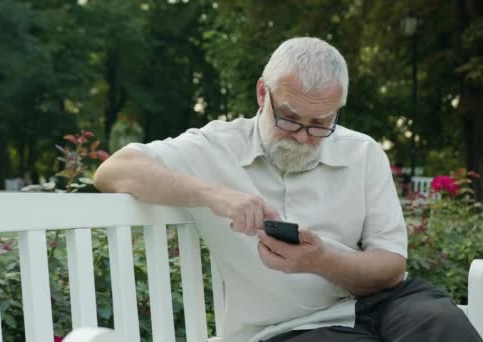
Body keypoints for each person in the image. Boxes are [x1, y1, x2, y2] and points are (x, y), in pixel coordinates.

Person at [93, 37, 482, 342]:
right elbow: (113, 171)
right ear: (263, 94)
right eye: (290, 118)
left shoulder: (362, 153)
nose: (301, 136)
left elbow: (391, 268)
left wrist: (321, 259)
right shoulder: (215, 146)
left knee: (444, 325)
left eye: (319, 124)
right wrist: (216, 195)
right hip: (293, 327)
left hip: (388, 302)